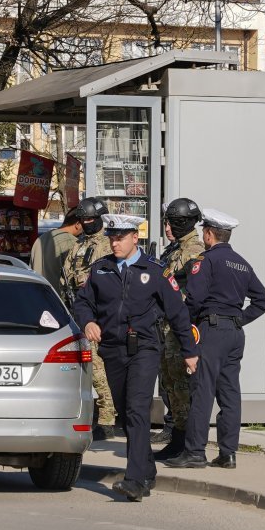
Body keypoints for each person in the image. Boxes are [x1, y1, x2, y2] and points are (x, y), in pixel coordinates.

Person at [73, 214, 198, 501]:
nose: (114, 243)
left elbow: (178, 314)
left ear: (134, 238)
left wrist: (190, 351)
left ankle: (135, 480)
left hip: (144, 348)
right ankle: (148, 470)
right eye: (111, 238)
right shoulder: (101, 269)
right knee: (127, 417)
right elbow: (83, 303)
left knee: (137, 410)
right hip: (112, 350)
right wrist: (88, 322)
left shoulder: (155, 270)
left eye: (120, 238)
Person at [165, 209, 265, 470]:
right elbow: (262, 301)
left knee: (202, 391)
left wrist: (184, 325)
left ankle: (195, 452)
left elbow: (196, 299)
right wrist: (238, 319)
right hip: (234, 334)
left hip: (210, 332)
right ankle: (228, 453)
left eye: (204, 232)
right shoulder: (242, 263)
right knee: (230, 393)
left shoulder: (206, 260)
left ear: (210, 234)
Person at [152, 198, 205, 461]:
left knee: (182, 386)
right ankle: (177, 438)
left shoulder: (194, 250)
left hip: (179, 328)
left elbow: (193, 294)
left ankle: (189, 444)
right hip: (166, 327)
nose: (168, 227)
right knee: (171, 385)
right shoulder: (175, 250)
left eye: (172, 221)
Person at [61, 197, 116, 441]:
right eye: (82, 220)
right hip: (79, 310)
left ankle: (107, 418)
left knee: (96, 367)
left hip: (100, 312)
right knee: (85, 366)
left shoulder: (108, 244)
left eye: (90, 219)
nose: (85, 223)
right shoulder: (79, 244)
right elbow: (67, 274)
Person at [30, 208, 82, 294]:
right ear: (77, 224)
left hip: (37, 295)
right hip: (57, 299)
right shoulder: (72, 242)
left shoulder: (41, 239)